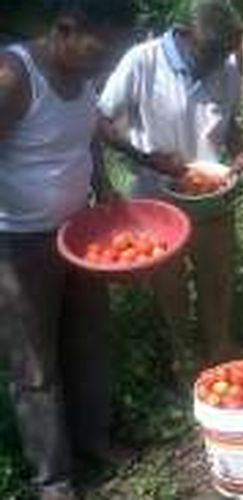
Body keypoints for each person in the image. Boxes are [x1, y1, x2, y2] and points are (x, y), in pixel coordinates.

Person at [0, 1, 136, 498]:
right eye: (102, 53)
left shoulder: (82, 73)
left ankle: (94, 441)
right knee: (35, 368)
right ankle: (53, 480)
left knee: (90, 342)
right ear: (65, 29)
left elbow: (88, 136)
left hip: (81, 237)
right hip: (18, 244)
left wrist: (104, 187)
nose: (105, 67)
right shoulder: (15, 76)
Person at [97, 0, 243, 371]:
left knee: (217, 276)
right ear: (182, 35)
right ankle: (184, 357)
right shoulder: (142, 61)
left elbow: (227, 123)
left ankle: (219, 349)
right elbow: (100, 121)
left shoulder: (226, 66)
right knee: (170, 284)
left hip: (212, 196)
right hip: (157, 199)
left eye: (223, 54)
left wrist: (240, 153)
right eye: (209, 53)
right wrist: (146, 157)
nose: (217, 62)